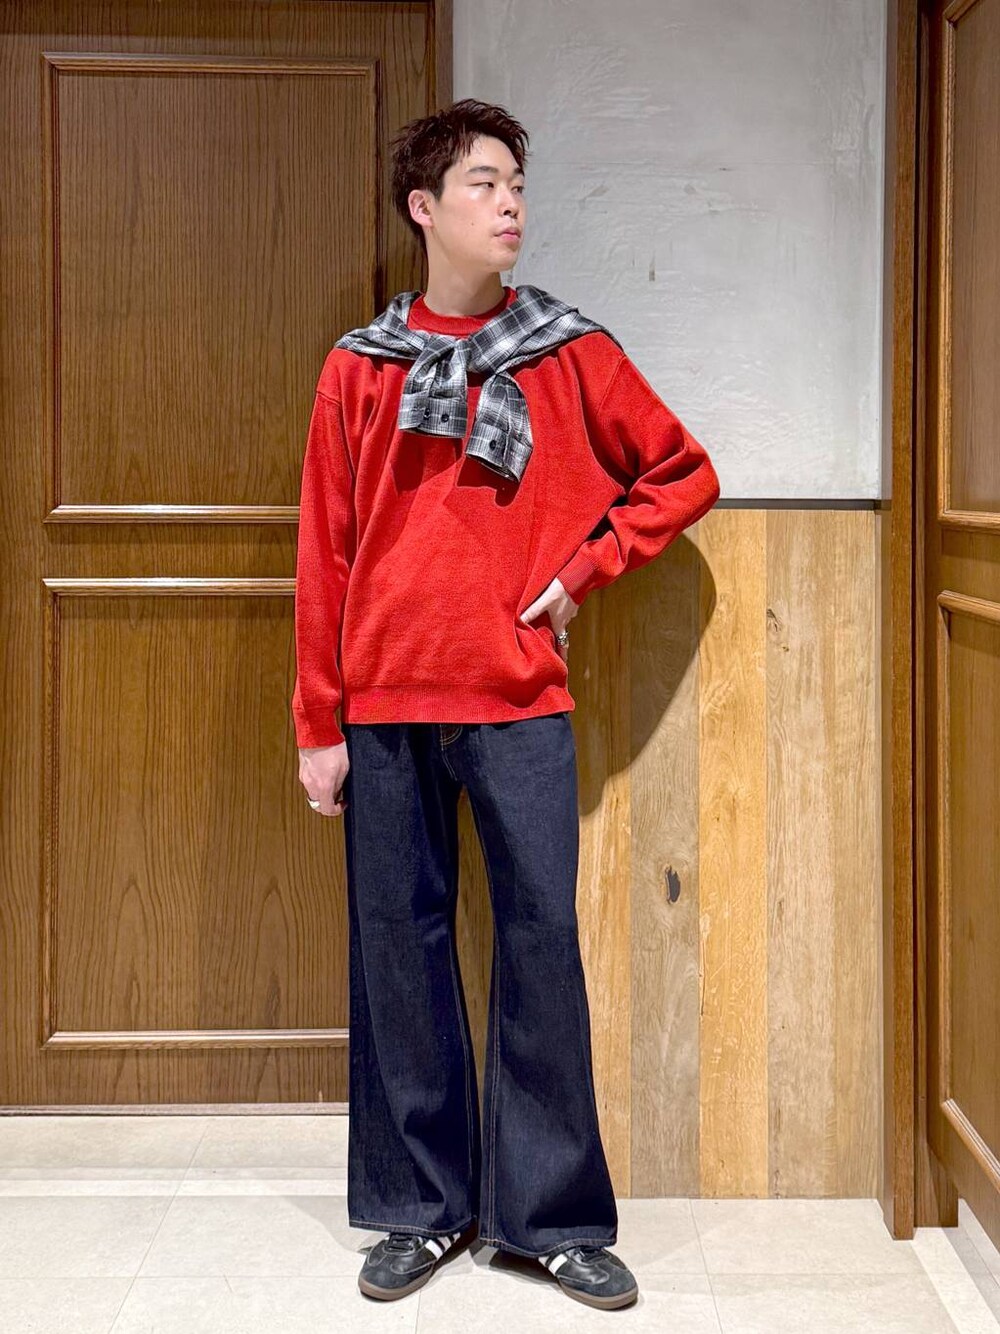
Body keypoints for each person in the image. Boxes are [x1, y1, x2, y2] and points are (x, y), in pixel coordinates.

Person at [292, 98, 721, 1311]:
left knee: (538, 945)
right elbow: (324, 548)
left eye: (517, 183)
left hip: (519, 698)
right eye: (483, 183)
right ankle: (420, 1209)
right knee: (398, 950)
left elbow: (682, 471)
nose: (510, 202)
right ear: (424, 209)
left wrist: (584, 570)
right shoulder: (360, 365)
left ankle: (552, 1218)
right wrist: (318, 722)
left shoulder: (567, 351)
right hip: (382, 704)